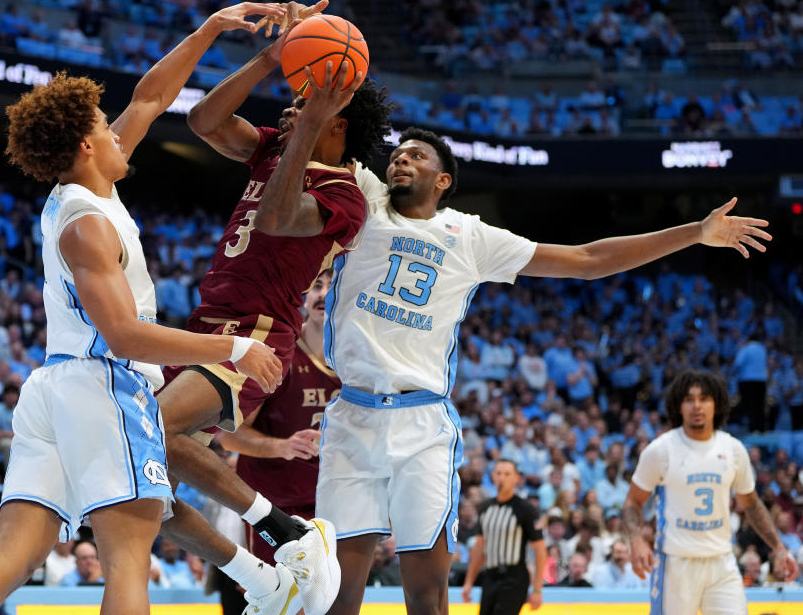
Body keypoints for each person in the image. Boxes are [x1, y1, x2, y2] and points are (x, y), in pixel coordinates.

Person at [321, 126, 772, 615]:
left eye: (416, 156)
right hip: (354, 413)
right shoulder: (362, 194)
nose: (400, 161)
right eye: (396, 155)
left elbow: (587, 259)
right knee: (339, 592)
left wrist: (696, 233)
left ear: (443, 179)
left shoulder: (470, 235)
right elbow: (317, 135)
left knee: (427, 596)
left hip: (421, 419)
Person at [0, 2, 298, 615]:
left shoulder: (82, 189)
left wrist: (217, 31)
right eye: (105, 128)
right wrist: (233, 346)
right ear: (87, 145)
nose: (119, 130)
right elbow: (126, 336)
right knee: (129, 560)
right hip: (104, 384)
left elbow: (151, 97)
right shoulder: (86, 224)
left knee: (12, 557)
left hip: (53, 391)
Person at [158, 0, 391, 615]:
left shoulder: (344, 196)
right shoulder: (273, 151)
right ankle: (266, 580)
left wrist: (308, 123)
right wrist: (272, 55)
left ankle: (285, 531)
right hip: (204, 329)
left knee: (151, 432)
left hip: (256, 337)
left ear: (336, 122)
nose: (288, 109)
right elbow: (205, 120)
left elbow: (278, 216)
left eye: (300, 103)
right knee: (140, 482)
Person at [622, 370, 799, 615]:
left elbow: (751, 504)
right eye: (689, 399)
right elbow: (633, 501)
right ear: (679, 406)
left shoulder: (734, 450)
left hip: (721, 563)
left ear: (716, 404)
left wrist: (778, 546)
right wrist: (636, 539)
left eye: (704, 398)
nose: (697, 406)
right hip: (676, 564)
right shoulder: (660, 451)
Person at [220, 271, 339, 564]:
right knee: (284, 601)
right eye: (316, 286)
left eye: (333, 285)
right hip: (276, 505)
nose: (322, 294)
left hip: (337, 502)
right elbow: (231, 436)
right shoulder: (278, 353)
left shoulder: (361, 360)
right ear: (306, 298)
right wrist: (282, 447)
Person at [461, 460, 546, 615]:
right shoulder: (485, 508)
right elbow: (479, 548)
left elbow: (540, 551)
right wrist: (468, 582)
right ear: (493, 476)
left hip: (514, 577)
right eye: (498, 473)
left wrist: (537, 589)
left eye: (507, 474)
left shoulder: (526, 509)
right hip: (490, 576)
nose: (502, 478)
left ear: (516, 478)